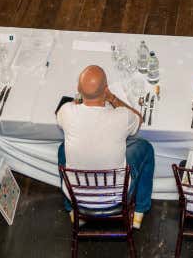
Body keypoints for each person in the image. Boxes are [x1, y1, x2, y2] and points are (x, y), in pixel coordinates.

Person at [56, 65, 153, 228]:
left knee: (61, 149)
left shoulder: (66, 112)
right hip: (116, 196)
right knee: (146, 148)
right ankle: (139, 211)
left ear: (78, 89)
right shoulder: (122, 116)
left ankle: (72, 210)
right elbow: (139, 119)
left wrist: (81, 99)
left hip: (78, 197)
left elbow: (64, 113)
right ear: (106, 89)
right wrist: (112, 98)